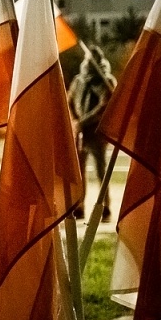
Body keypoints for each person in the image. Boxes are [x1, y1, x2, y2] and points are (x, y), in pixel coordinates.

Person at [69, 48, 115, 220]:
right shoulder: (78, 80)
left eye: (93, 59)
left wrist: (84, 121)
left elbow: (104, 107)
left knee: (101, 171)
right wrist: (76, 121)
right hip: (80, 132)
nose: (89, 63)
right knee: (79, 172)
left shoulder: (106, 81)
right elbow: (70, 99)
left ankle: (105, 207)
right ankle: (79, 206)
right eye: (88, 59)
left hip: (97, 132)